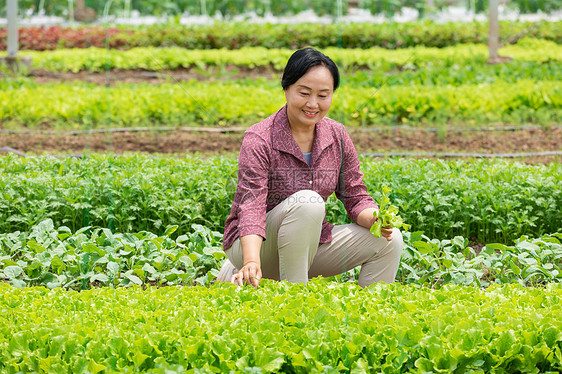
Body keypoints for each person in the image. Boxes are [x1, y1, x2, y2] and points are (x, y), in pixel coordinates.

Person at [217, 47, 403, 289]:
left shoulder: (336, 134)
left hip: (308, 246)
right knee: (308, 201)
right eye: (304, 93)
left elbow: (355, 195)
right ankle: (296, 301)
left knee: (390, 240)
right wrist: (251, 260)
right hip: (256, 248)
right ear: (286, 88)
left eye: (323, 95)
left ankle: (371, 313)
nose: (313, 104)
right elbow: (251, 205)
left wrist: (376, 219)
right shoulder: (260, 138)